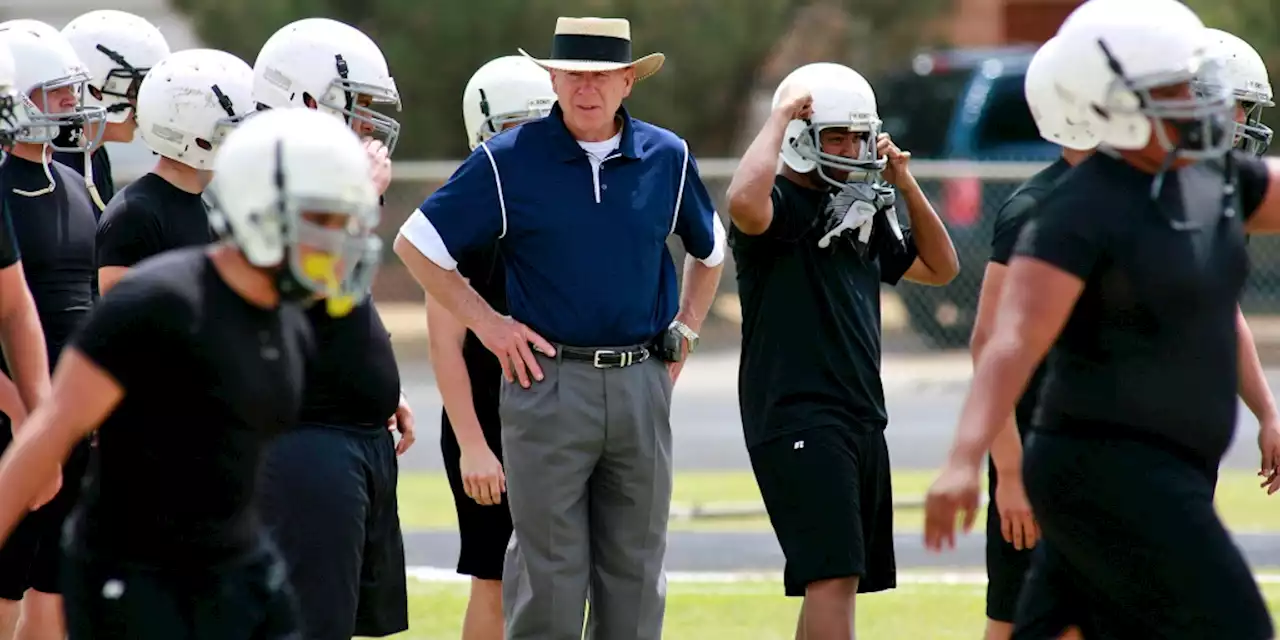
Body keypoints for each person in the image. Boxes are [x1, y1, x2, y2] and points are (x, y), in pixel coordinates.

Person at [924, 0, 1280, 637]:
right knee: (1238, 628)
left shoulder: (1208, 180)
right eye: (1170, 87)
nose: (1195, 100)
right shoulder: (1078, 211)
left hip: (1156, 464)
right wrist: (964, 460)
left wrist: (1268, 410)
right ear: (1110, 100)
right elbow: (1008, 344)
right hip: (1108, 468)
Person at [395, 16, 725, 640]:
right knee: (548, 577)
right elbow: (416, 244)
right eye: (572, 74)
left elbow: (710, 253)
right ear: (552, 78)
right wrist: (489, 326)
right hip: (545, 385)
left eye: (602, 76)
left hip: (642, 382)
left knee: (635, 576)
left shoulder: (668, 156)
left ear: (629, 81)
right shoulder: (507, 159)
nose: (586, 88)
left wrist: (686, 330)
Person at [0, 105, 382, 640]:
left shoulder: (286, 317)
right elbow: (49, 435)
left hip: (237, 565)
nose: (340, 239)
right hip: (136, 576)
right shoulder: (158, 304)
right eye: (325, 219)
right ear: (260, 210)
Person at [724, 60, 958, 640]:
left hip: (858, 414)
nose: (854, 148)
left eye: (859, 135)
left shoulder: (864, 209)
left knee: (835, 579)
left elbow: (940, 267)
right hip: (799, 412)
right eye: (838, 135)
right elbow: (743, 202)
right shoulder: (776, 203)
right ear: (802, 138)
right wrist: (779, 116)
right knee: (833, 576)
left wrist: (904, 183)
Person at [251, 17, 413, 640]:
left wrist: (377, 382)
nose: (369, 127)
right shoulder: (269, 181)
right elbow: (300, 289)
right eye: (358, 109)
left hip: (352, 437)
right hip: (305, 446)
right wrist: (356, 202)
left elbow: (339, 303)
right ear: (307, 101)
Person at [430, 53, 554, 640]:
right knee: (495, 576)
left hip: (559, 417)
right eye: (514, 128)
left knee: (559, 575)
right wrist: (474, 446)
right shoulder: (463, 210)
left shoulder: (563, 205)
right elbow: (444, 345)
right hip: (489, 419)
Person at [0, 23, 107, 640]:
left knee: (57, 587)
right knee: (4, 587)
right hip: (16, 419)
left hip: (66, 418)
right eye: (57, 92)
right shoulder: (2, 191)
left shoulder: (73, 183)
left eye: (74, 91)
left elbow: (86, 303)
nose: (73, 104)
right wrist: (24, 416)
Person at [95, 48, 253, 296]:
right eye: (234, 127)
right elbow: (123, 320)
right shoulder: (135, 215)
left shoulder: (209, 209)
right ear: (195, 132)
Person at [57, 9, 171, 218]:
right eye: (137, 88)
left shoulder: (95, 155)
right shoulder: (52, 162)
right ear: (95, 89)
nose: (145, 103)